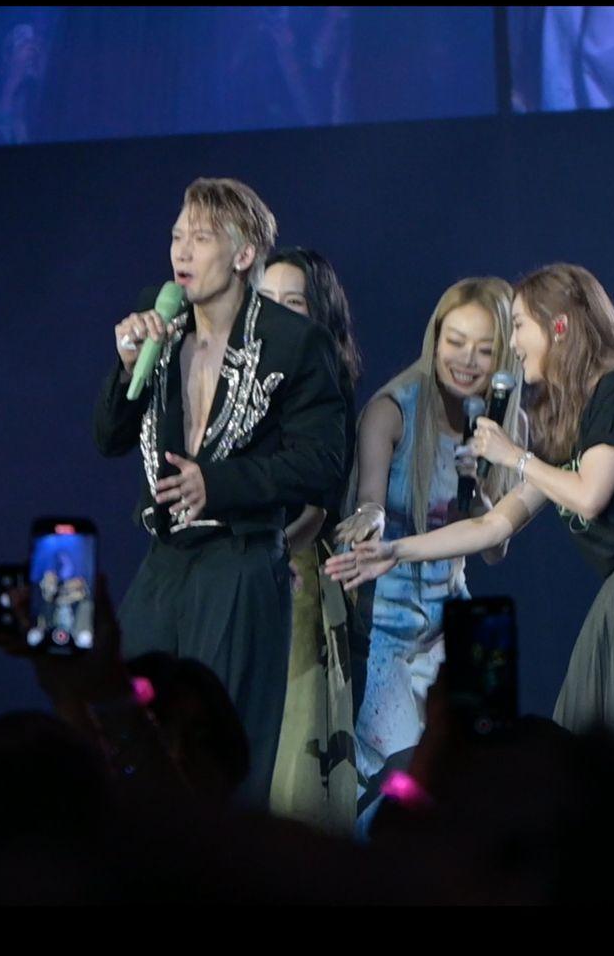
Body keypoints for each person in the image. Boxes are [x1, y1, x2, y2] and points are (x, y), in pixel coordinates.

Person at [327, 262, 614, 796]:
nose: (513, 344)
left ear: (560, 326)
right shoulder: (566, 421)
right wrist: (396, 550)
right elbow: (492, 526)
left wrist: (514, 457)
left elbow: (590, 495)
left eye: (519, 326)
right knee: (590, 763)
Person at [94, 178, 349, 809]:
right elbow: (109, 438)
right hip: (166, 560)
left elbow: (323, 464)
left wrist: (220, 484)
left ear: (242, 254)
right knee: (124, 724)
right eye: (177, 235)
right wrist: (127, 366)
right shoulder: (161, 324)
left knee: (219, 755)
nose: (182, 251)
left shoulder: (295, 342)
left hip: (240, 561)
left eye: (201, 238)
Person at [331, 277, 524, 834]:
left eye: (484, 349)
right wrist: (370, 517)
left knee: (473, 783)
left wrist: (479, 491)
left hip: (457, 619)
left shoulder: (507, 427)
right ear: (434, 338)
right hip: (387, 626)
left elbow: (496, 547)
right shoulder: (392, 410)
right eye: (455, 341)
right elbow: (370, 499)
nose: (466, 360)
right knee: (390, 784)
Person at [256, 246, 363, 833]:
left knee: (292, 753)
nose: (276, 312)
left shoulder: (323, 388)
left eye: (292, 302)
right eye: (265, 299)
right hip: (241, 570)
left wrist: (270, 556)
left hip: (292, 574)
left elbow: (318, 509)